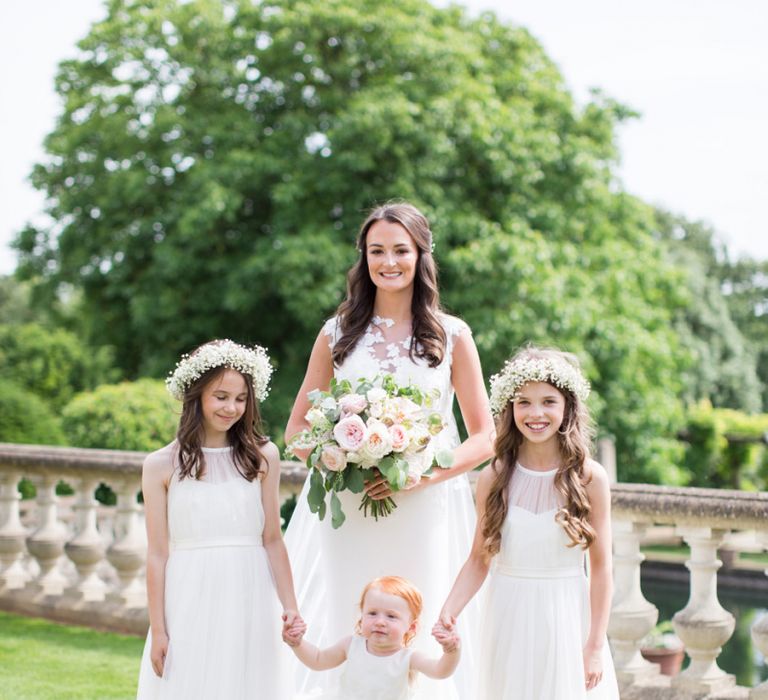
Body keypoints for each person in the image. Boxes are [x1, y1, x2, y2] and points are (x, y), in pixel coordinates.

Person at [284, 201, 495, 699]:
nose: (389, 261)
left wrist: (423, 475)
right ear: (364, 258)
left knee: (415, 617)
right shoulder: (336, 334)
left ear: (422, 256)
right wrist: (339, 458)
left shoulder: (452, 334)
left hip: (423, 503)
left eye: (401, 250)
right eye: (376, 250)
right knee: (350, 613)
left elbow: (485, 436)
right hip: (351, 505)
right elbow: (295, 431)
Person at [436, 347, 620, 699]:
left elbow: (602, 569)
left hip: (566, 615)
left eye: (548, 401)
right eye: (524, 402)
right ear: (509, 407)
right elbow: (479, 558)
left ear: (567, 406)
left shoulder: (589, 479)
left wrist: (595, 645)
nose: (536, 413)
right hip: (508, 612)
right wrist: (449, 611)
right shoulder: (495, 477)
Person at [136, 340, 301, 699]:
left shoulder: (263, 457)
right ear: (196, 396)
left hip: (251, 589)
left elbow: (272, 538)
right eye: (221, 396)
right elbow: (157, 553)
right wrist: (159, 629)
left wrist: (290, 607)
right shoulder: (160, 465)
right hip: (189, 591)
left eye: (240, 398)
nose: (232, 407)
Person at [284, 576, 461, 700]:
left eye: (391, 616)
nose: (380, 622)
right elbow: (318, 660)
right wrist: (297, 644)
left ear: (411, 627)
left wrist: (451, 651)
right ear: (361, 617)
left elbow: (440, 671)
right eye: (372, 613)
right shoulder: (351, 645)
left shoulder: (408, 658)